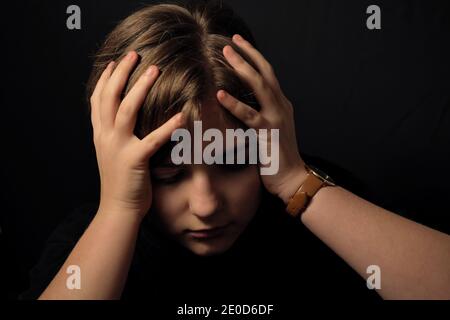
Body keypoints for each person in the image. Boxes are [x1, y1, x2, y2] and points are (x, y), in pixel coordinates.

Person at [22, 0, 450, 300]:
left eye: (232, 162)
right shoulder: (87, 240)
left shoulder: (314, 198)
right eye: (169, 174)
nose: (207, 205)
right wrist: (118, 210)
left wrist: (294, 180)